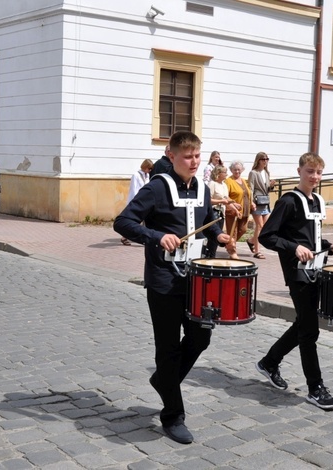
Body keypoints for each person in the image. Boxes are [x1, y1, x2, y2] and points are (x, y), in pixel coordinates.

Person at [114, 131, 231, 445]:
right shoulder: (156, 188)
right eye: (187, 156)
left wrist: (218, 234)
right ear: (173, 156)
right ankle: (173, 415)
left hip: (198, 280)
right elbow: (123, 222)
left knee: (200, 338)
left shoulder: (203, 189)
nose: (193, 162)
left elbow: (207, 219)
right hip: (164, 281)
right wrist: (155, 236)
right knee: (167, 348)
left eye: (197, 156)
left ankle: (164, 381)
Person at [256, 152, 333, 410]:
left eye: (318, 173)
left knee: (303, 324)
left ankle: (269, 362)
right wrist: (294, 247)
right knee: (310, 331)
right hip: (297, 273)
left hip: (316, 269)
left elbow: (313, 240)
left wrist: (331, 248)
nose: (314, 177)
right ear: (299, 171)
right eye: (309, 171)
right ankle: (315, 388)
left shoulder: (317, 200)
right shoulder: (288, 201)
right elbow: (266, 236)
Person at [248, 152, 276, 259]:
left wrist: (271, 186)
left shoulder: (266, 172)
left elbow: (267, 189)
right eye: (263, 159)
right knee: (259, 227)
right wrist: (251, 202)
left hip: (265, 202)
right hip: (257, 202)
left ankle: (251, 241)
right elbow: (251, 188)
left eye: (267, 159)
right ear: (258, 160)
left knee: (266, 227)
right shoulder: (253, 173)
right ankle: (257, 251)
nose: (265, 161)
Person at [225, 161, 255, 258]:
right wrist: (233, 204)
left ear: (242, 170)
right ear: (231, 170)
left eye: (239, 169)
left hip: (245, 211)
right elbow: (225, 196)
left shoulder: (243, 180)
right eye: (235, 169)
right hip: (233, 211)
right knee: (233, 232)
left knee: (243, 230)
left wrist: (252, 203)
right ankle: (233, 252)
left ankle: (229, 244)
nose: (237, 171)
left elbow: (247, 194)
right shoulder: (229, 181)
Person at [121, 158, 154, 246]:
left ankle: (144, 238)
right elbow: (133, 189)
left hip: (145, 200)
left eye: (151, 169)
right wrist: (136, 201)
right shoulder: (136, 175)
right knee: (134, 221)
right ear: (145, 166)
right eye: (149, 168)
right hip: (137, 200)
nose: (150, 170)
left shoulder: (147, 176)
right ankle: (124, 236)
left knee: (145, 221)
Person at [205, 165, 232, 258]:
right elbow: (208, 200)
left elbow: (226, 198)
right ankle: (209, 256)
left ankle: (212, 255)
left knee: (217, 237)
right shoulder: (212, 184)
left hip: (221, 213)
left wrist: (234, 206)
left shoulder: (224, 185)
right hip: (213, 213)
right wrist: (221, 201)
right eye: (224, 172)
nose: (226, 174)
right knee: (213, 237)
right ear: (218, 173)